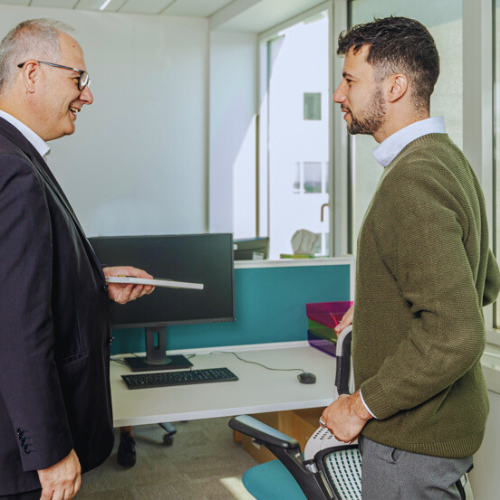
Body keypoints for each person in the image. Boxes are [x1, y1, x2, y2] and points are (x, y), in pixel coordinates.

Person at [321, 16, 500, 498]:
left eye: (350, 80)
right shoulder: (445, 159)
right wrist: (381, 305)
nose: (339, 94)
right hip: (441, 430)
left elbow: (456, 331)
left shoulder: (411, 180)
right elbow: (484, 282)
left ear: (395, 86)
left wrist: (358, 407)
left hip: (413, 444)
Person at [0, 19, 154, 499]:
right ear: (31, 73)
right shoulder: (13, 171)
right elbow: (17, 325)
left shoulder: (14, 157)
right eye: (78, 79)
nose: (86, 96)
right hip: (23, 455)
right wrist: (48, 450)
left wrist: (92, 278)